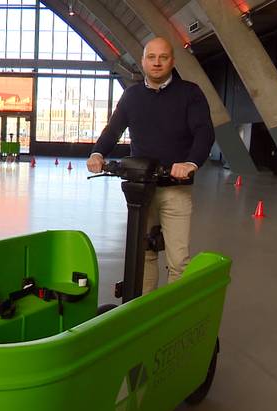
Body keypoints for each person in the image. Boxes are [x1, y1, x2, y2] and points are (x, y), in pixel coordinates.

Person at [86, 37, 214, 294]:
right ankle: (143, 308)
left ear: (172, 61)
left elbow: (204, 132)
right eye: (151, 57)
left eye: (163, 57)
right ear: (143, 61)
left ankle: (173, 312)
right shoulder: (132, 95)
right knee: (144, 255)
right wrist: (98, 153)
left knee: (178, 260)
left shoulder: (190, 93)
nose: (157, 62)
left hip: (175, 188)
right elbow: (113, 130)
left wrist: (190, 163)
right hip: (141, 189)